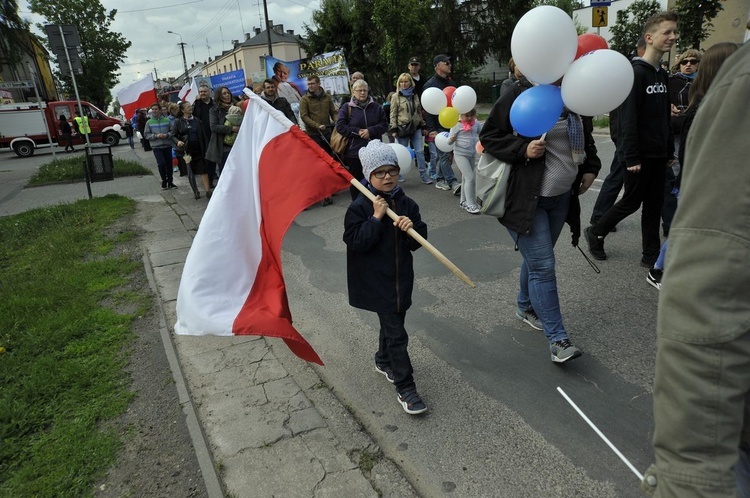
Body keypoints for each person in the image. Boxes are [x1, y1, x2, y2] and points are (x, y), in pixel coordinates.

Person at [641, 41, 750, 497]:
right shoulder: (736, 94)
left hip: (684, 184)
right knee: (542, 264)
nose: (682, 62)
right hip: (692, 191)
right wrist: (690, 480)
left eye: (689, 59)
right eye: (681, 58)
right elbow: (709, 287)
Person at [479, 71, 601, 363]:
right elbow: (490, 136)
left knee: (535, 260)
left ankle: (525, 306)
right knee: (544, 266)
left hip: (561, 199)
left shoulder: (575, 96)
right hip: (525, 199)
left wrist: (590, 168)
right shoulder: (520, 93)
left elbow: (587, 140)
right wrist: (523, 149)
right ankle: (558, 340)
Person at [343, 140, 429, 415]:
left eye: (391, 170)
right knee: (397, 334)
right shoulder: (359, 207)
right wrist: (376, 219)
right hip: (376, 282)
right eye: (379, 172)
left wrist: (410, 228)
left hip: (400, 280)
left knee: (393, 325)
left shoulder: (407, 203)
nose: (388, 177)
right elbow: (356, 241)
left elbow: (420, 242)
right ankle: (406, 387)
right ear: (369, 176)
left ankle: (382, 360)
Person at [585, 12, 677, 268]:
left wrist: (669, 150)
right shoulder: (635, 74)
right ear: (649, 37)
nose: (673, 37)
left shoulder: (661, 74)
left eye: (674, 32)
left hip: (659, 154)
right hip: (640, 155)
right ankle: (596, 231)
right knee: (631, 201)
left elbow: (662, 117)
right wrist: (631, 156)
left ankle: (651, 256)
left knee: (654, 205)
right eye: (667, 32)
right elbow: (627, 120)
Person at [646, 42, 738, 291]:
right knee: (686, 228)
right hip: (700, 180)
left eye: (693, 62)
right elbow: (692, 148)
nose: (688, 65)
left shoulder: (716, 99)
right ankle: (659, 270)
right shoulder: (704, 104)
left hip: (710, 180)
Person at [590, 35, 646, 228]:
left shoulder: (640, 73)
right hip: (627, 140)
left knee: (617, 179)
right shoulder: (629, 75)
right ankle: (599, 219)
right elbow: (621, 114)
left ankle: (600, 217)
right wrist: (620, 139)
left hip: (631, 140)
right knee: (616, 179)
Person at [661, 48, 700, 236]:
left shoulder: (704, 83)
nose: (688, 64)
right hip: (676, 133)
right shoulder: (672, 81)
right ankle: (671, 221)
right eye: (685, 61)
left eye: (693, 61)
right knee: (675, 174)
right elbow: (660, 101)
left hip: (697, 134)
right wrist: (667, 106)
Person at [335, 79, 389, 200]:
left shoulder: (376, 107)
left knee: (376, 179)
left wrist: (370, 131)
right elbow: (340, 126)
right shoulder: (346, 107)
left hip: (374, 150)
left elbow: (385, 125)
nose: (363, 93)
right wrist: (358, 132)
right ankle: (357, 206)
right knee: (357, 182)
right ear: (353, 92)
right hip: (354, 152)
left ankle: (377, 204)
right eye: (359, 90)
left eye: (365, 90)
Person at [423, 54, 459, 193]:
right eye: (447, 63)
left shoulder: (451, 83)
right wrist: (431, 128)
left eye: (450, 63)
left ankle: (439, 178)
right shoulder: (430, 85)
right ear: (438, 65)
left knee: (448, 155)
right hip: (438, 125)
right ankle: (453, 182)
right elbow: (428, 109)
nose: (450, 65)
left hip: (452, 123)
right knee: (444, 154)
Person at [389, 73, 430, 184]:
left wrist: (423, 125)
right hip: (402, 128)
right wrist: (393, 129)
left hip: (415, 127)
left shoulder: (415, 95)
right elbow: (393, 114)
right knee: (402, 153)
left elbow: (419, 112)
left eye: (406, 81)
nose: (404, 84)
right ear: (399, 83)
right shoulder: (395, 97)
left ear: (410, 82)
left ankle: (423, 175)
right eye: (401, 82)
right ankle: (401, 174)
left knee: (419, 151)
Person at [172, 101, 213, 199]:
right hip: (186, 151)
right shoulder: (178, 122)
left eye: (191, 106)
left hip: (199, 149)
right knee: (190, 172)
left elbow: (204, 136)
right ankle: (196, 191)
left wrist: (207, 147)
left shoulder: (197, 121)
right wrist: (178, 142)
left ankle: (208, 191)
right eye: (188, 107)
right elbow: (173, 135)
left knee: (203, 170)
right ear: (182, 110)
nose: (190, 108)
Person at [449, 108, 482, 214]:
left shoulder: (476, 123)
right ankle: (470, 204)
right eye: (466, 116)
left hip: (471, 154)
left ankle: (463, 201)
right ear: (461, 115)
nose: (469, 118)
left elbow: (482, 134)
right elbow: (448, 142)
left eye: (471, 116)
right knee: (470, 178)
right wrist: (452, 139)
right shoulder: (456, 124)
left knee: (465, 179)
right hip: (460, 154)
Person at [300, 75, 338, 155]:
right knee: (318, 155)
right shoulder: (305, 99)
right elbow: (304, 116)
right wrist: (317, 125)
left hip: (327, 131)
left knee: (330, 153)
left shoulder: (327, 97)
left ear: (319, 84)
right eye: (309, 84)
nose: (310, 86)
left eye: (312, 83)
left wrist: (337, 121)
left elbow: (333, 112)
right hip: (313, 133)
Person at [206, 86, 238, 177]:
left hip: (238, 143)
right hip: (223, 146)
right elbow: (214, 127)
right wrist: (232, 129)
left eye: (228, 93)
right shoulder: (214, 110)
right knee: (226, 173)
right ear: (219, 96)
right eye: (224, 93)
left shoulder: (237, 107)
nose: (227, 95)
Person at [144, 103, 176, 190]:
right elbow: (146, 135)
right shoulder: (149, 122)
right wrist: (155, 136)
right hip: (156, 147)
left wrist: (166, 135)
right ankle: (164, 180)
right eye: (153, 109)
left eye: (156, 109)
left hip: (167, 145)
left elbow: (172, 132)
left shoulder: (166, 120)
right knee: (161, 163)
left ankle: (170, 181)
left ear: (160, 110)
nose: (154, 111)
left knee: (169, 164)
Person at [193, 84, 217, 187]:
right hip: (203, 136)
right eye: (200, 92)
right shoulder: (197, 105)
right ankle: (210, 181)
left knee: (217, 158)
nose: (202, 93)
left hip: (215, 134)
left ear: (209, 92)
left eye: (204, 91)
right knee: (208, 159)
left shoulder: (215, 103)